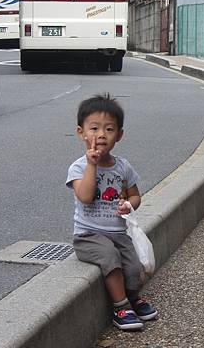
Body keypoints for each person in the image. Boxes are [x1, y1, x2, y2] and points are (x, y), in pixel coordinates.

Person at [66, 94, 158, 331]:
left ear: (119, 134)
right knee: (110, 258)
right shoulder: (78, 167)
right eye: (94, 128)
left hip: (118, 232)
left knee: (134, 265)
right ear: (81, 133)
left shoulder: (123, 167)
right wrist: (91, 165)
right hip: (88, 235)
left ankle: (133, 297)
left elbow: (135, 195)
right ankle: (120, 306)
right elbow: (85, 196)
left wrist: (130, 205)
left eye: (109, 129)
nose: (101, 135)